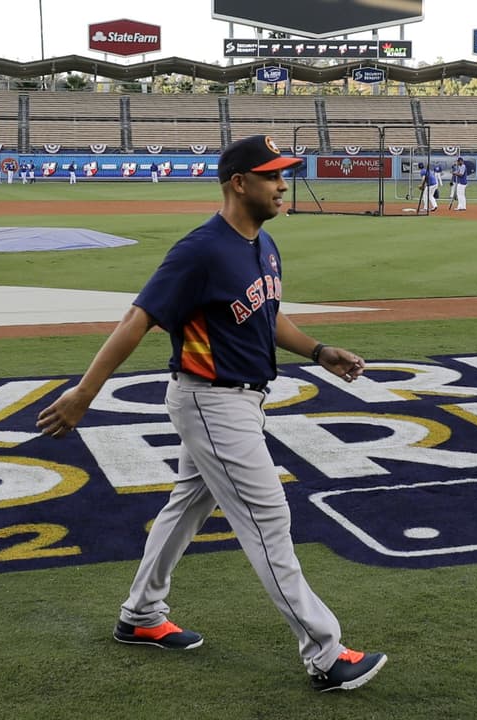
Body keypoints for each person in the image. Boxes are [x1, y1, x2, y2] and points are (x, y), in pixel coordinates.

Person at [36, 135, 387, 693]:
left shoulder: (262, 244)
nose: (282, 184)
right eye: (272, 175)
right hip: (211, 400)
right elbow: (137, 319)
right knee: (269, 520)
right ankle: (325, 653)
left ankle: (141, 615)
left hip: (241, 400)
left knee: (186, 507)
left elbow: (265, 317)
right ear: (238, 183)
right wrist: (84, 393)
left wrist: (319, 351)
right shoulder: (200, 250)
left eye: (284, 174)